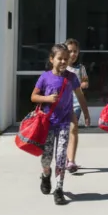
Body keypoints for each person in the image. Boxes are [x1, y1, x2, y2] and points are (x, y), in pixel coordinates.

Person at [31, 44, 90, 205]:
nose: (64, 61)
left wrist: (85, 113)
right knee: (47, 158)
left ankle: (59, 189)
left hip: (64, 122)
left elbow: (80, 95)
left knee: (61, 156)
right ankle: (45, 174)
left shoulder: (71, 78)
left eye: (66, 58)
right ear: (52, 59)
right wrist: (47, 99)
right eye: (60, 58)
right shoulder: (45, 77)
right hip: (48, 124)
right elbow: (34, 97)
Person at [64, 38, 90, 174]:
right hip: (62, 104)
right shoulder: (61, 68)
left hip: (76, 103)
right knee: (65, 133)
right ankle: (66, 157)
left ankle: (71, 160)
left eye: (75, 51)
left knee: (73, 129)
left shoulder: (81, 68)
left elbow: (85, 80)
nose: (73, 54)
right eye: (70, 51)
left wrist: (84, 84)